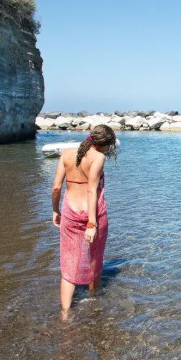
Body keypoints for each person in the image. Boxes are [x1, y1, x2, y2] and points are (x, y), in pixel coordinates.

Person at [51, 124, 117, 319]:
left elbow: (56, 187)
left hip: (70, 212)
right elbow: (91, 190)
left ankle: (65, 313)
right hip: (94, 215)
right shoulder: (98, 158)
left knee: (69, 261)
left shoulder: (66, 154)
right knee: (94, 258)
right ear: (104, 144)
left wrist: (55, 210)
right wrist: (91, 224)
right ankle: (93, 302)